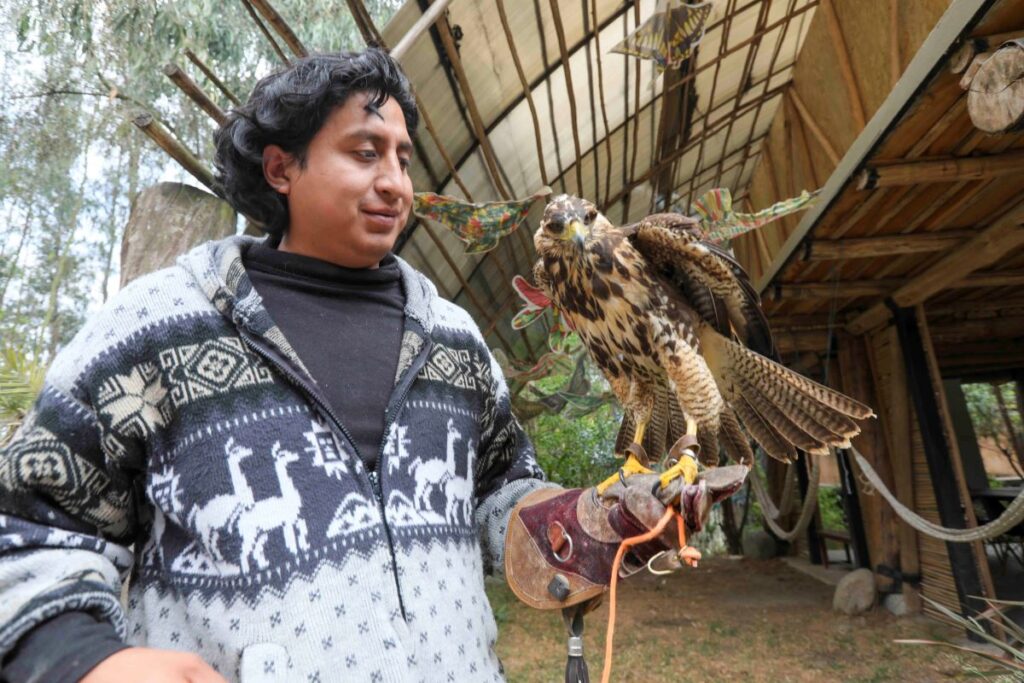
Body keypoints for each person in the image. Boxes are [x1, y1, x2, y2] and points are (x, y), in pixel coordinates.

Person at [0, 48, 720, 683]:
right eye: (365, 151)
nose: (396, 182)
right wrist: (86, 659)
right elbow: (29, 525)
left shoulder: (452, 339)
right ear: (281, 167)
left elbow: (500, 489)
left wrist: (590, 521)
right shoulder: (156, 328)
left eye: (403, 158)